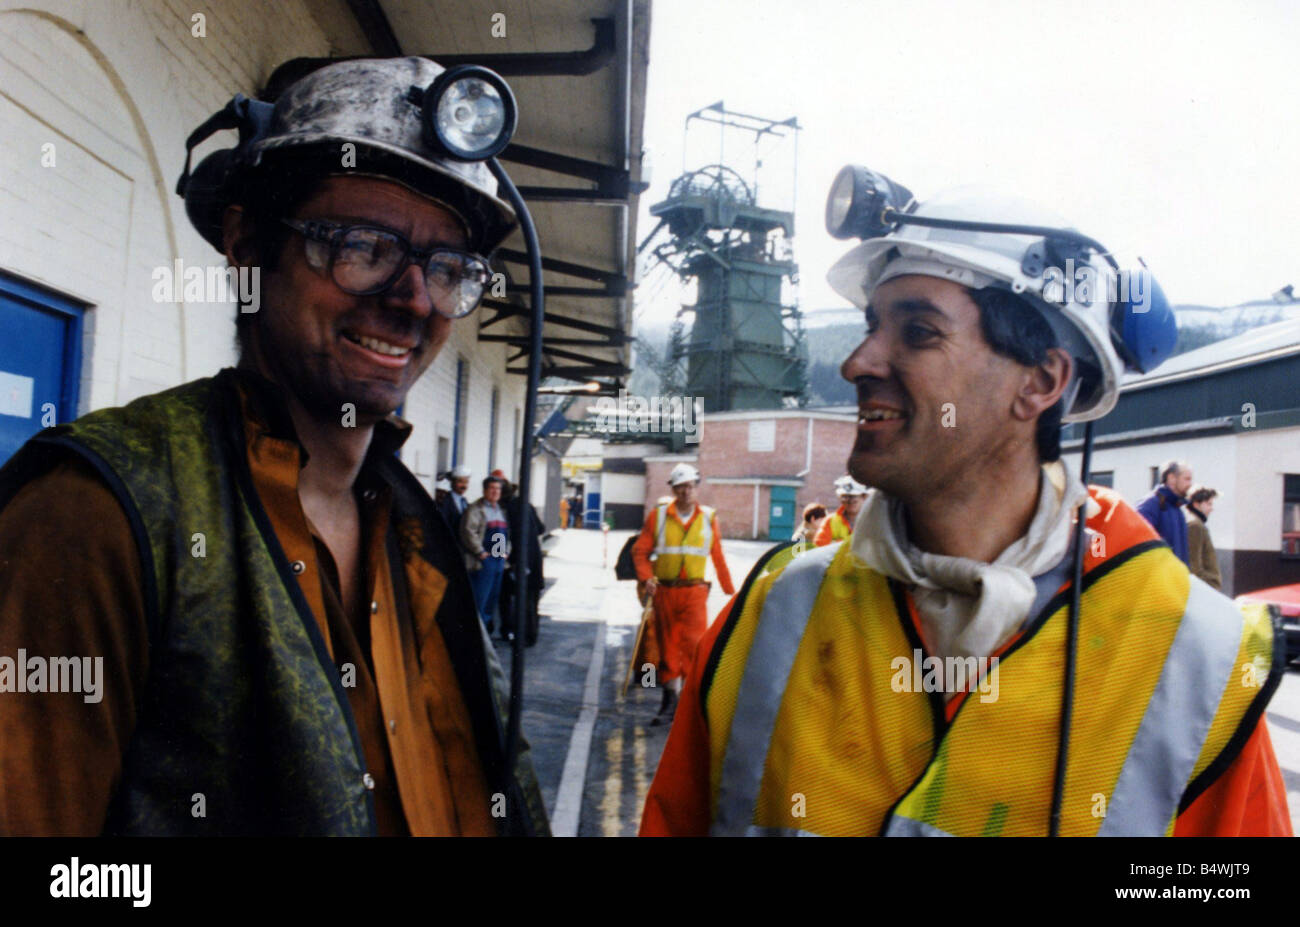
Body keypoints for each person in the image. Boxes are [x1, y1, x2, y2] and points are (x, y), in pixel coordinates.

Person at [0, 56, 548, 836]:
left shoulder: (414, 533)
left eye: (448, 267)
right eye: (363, 245)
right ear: (248, 244)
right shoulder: (98, 514)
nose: (413, 298)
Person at [640, 181, 1288, 836]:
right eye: (871, 327)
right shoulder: (777, 608)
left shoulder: (1190, 662)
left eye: (918, 332)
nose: (856, 362)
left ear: (1041, 381)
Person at [631, 464, 736, 726]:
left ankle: (689, 705)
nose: (686, 491)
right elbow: (639, 552)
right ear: (674, 489)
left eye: (690, 486)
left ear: (696, 488)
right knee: (667, 647)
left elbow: (718, 557)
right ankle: (669, 702)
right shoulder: (658, 517)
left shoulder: (709, 518)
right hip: (665, 591)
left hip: (695, 591)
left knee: (693, 645)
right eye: (680, 487)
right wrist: (646, 578)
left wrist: (731, 591)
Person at [461, 475, 511, 635]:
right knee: (480, 602)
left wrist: (505, 552)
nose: (495, 492)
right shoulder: (476, 509)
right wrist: (480, 552)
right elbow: (468, 532)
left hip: (498, 561)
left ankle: (486, 640)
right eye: (492, 488)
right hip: (483, 563)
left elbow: (505, 535)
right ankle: (477, 640)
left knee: (491, 601)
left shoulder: (500, 511)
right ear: (484, 490)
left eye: (498, 489)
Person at [499, 477, 545, 646]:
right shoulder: (525, 504)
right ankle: (529, 636)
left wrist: (500, 557)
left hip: (519, 561)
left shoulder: (506, 510)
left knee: (516, 600)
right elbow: (541, 528)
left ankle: (519, 636)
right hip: (534, 558)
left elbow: (504, 535)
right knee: (531, 601)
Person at [1136, 460, 1193, 564]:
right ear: (1171, 478)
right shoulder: (1150, 505)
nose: (1190, 484)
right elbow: (1138, 547)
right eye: (1187, 479)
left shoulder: (1177, 509)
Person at [1185, 485, 1222, 590]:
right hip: (1205, 589)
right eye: (1208, 504)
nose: (1211, 509)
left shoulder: (1196, 523)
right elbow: (1194, 567)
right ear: (1196, 504)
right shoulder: (1195, 525)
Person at [813, 476, 868, 546]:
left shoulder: (872, 521)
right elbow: (819, 546)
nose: (849, 500)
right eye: (845, 496)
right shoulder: (831, 521)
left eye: (853, 496)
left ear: (864, 497)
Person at [446, 464, 473, 529]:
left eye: (466, 482)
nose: (463, 486)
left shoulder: (464, 501)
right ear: (452, 482)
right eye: (460, 481)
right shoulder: (446, 500)